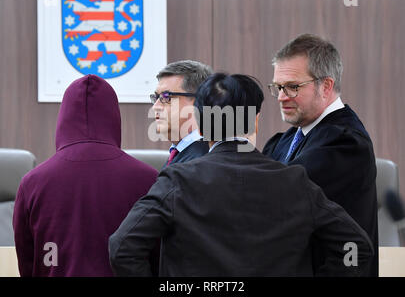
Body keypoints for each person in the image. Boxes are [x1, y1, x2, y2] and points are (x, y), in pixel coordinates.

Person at [109, 73, 374, 277]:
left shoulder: (178, 181)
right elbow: (356, 246)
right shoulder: (295, 182)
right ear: (255, 120)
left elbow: (123, 247)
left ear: (200, 122)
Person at [13, 74, 158, 276]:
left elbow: (28, 261)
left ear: (63, 116)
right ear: (113, 116)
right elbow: (158, 257)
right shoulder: (149, 179)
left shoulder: (32, 183)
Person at [262, 34, 379, 276]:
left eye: (292, 86)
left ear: (325, 86)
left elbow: (274, 198)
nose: (282, 96)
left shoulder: (346, 143)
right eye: (278, 87)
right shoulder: (284, 141)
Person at [151, 60, 213, 167]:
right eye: (156, 97)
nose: (155, 106)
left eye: (167, 97)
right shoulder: (180, 153)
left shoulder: (203, 162)